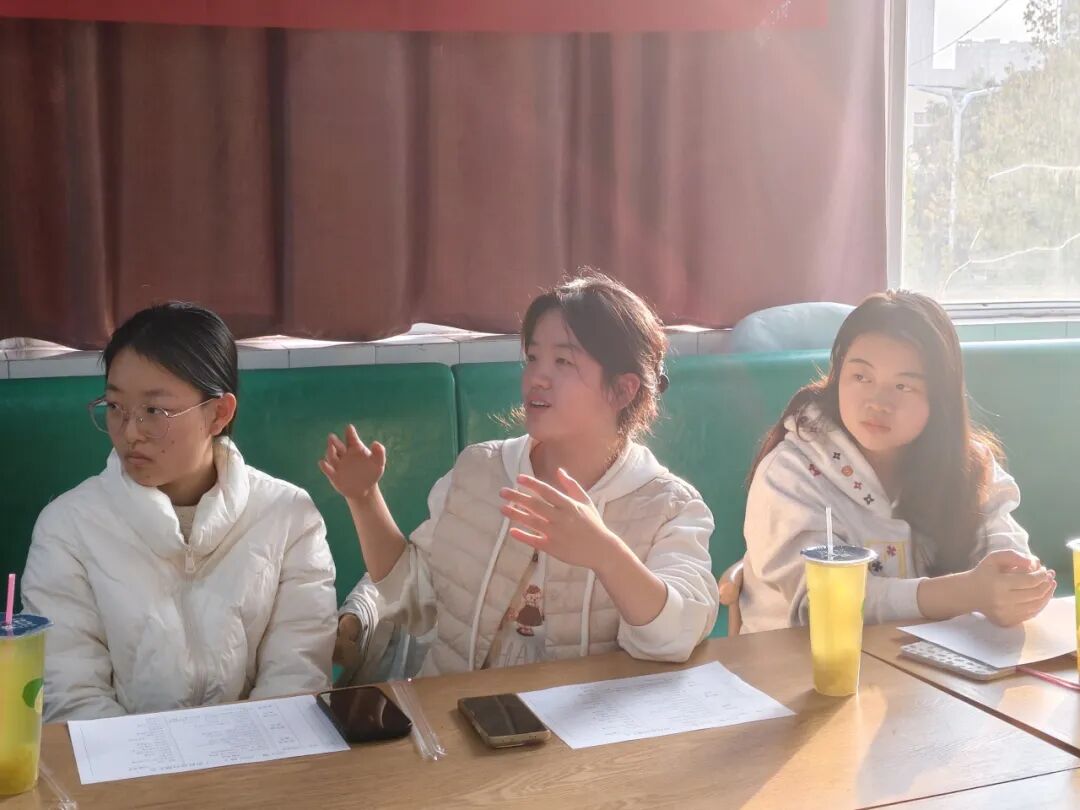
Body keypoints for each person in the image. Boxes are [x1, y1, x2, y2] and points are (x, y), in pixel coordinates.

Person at [327, 272, 718, 675]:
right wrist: (364, 498)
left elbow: (677, 635)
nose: (537, 377)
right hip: (457, 706)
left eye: (563, 361)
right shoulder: (479, 471)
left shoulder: (669, 506)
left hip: (584, 715)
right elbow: (414, 602)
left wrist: (605, 553)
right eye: (532, 358)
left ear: (622, 390)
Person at [23, 302, 337, 721]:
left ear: (218, 414)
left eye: (155, 411)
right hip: (121, 759)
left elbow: (297, 679)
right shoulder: (67, 528)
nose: (130, 432)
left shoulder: (289, 517)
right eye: (115, 407)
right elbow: (71, 694)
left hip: (260, 754)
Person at [739, 290, 1055, 634]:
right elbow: (824, 603)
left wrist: (1012, 586)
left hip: (921, 658)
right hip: (794, 660)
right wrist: (966, 593)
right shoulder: (792, 472)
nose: (878, 402)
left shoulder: (968, 464)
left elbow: (1002, 545)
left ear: (940, 397)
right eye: (861, 377)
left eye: (903, 386)